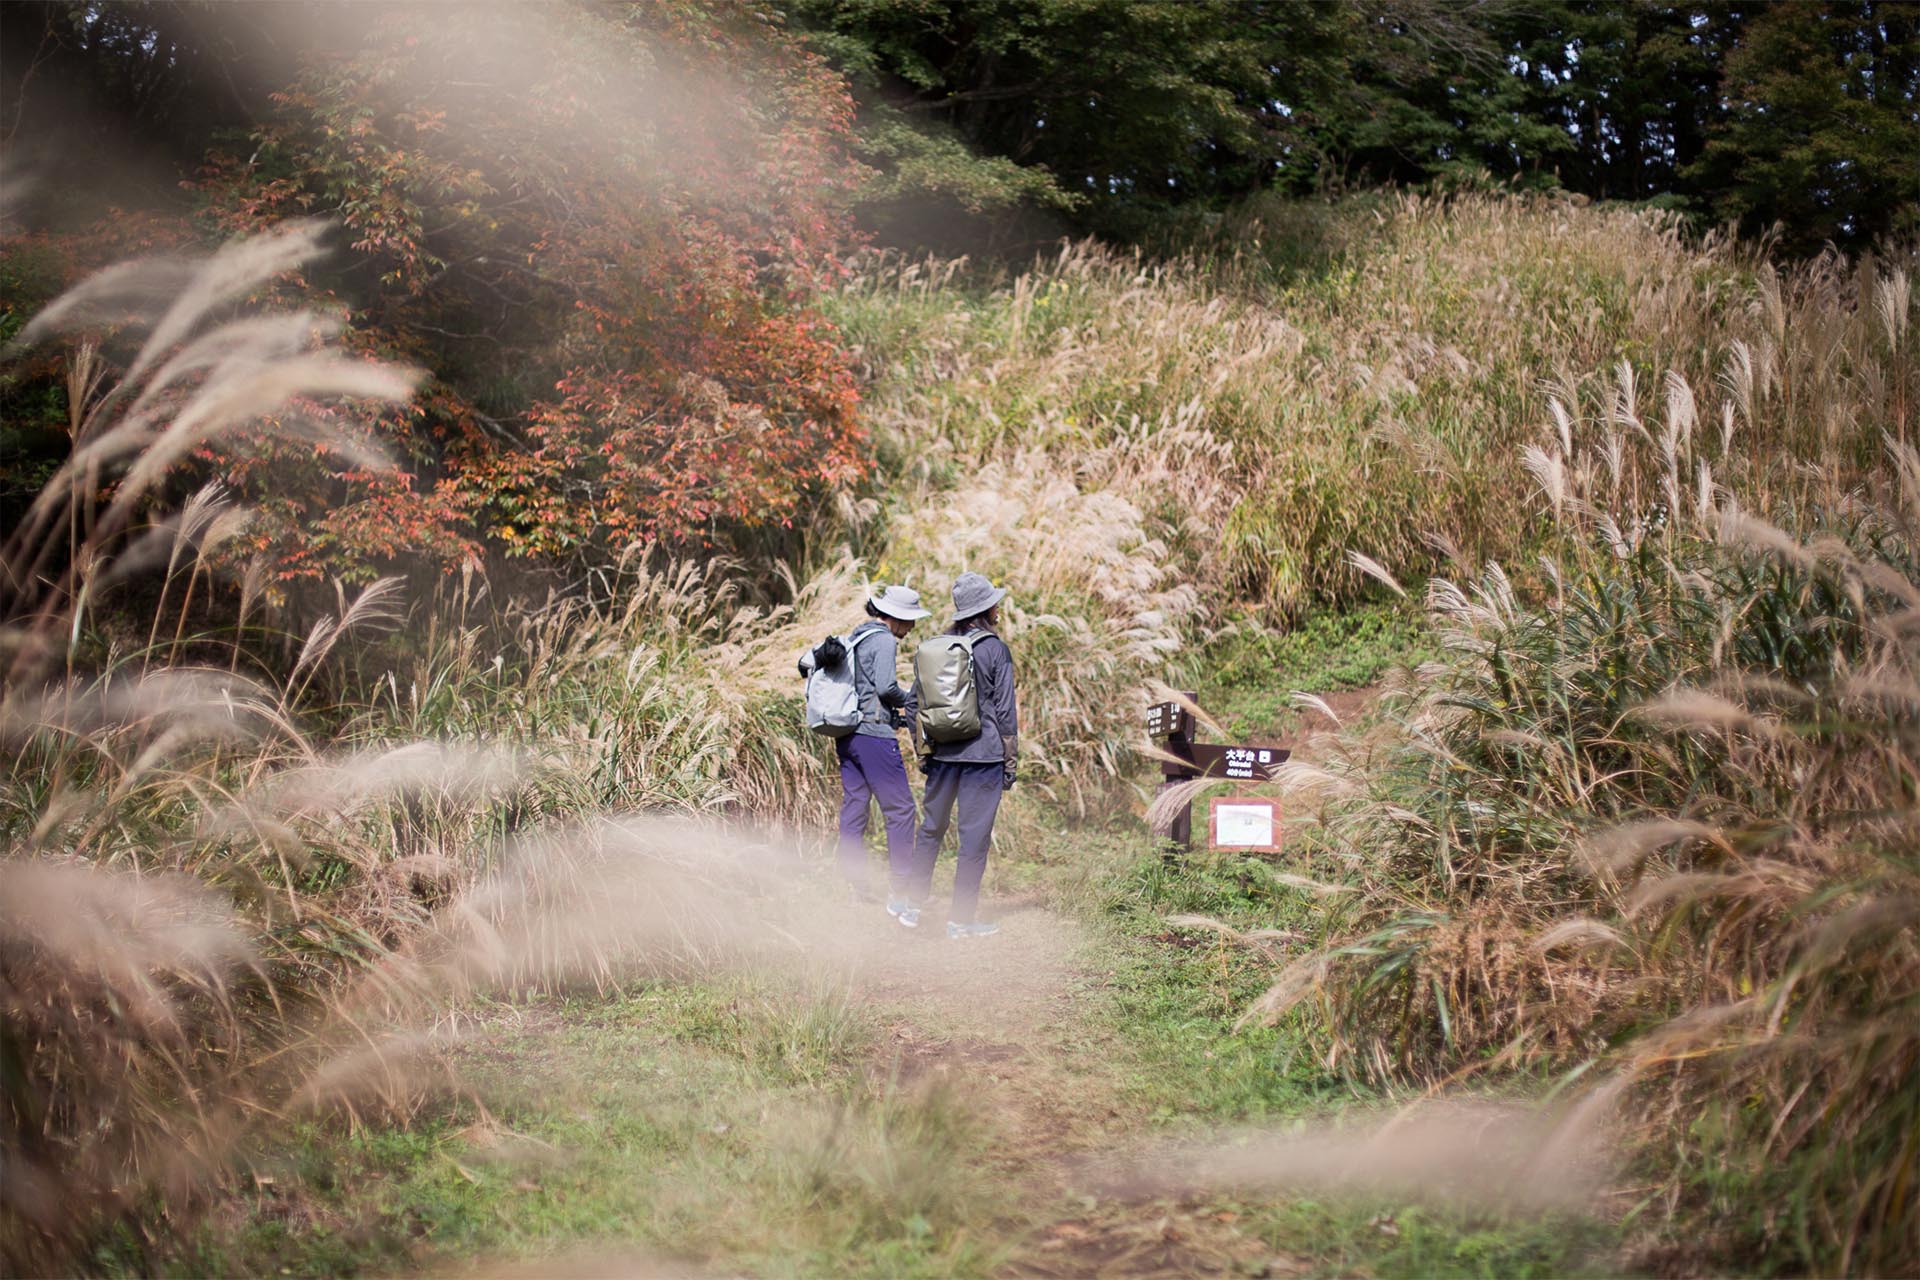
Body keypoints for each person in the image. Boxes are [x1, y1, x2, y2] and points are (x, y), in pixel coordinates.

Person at [901, 571, 1019, 939]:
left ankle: (911, 908)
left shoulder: (937, 648)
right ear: (986, 609)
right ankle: (961, 921)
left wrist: (924, 751)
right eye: (995, 603)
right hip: (983, 758)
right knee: (973, 840)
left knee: (931, 830)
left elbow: (910, 706)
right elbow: (1005, 711)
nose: (998, 608)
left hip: (942, 759)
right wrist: (1010, 762)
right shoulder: (995, 649)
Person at [798, 584, 931, 905]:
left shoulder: (857, 637)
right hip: (873, 737)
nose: (911, 628)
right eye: (909, 620)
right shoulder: (884, 639)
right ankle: (903, 890)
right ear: (894, 617)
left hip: (848, 735)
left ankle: (855, 889)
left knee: (855, 807)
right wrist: (917, 697)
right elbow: (886, 689)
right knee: (900, 809)